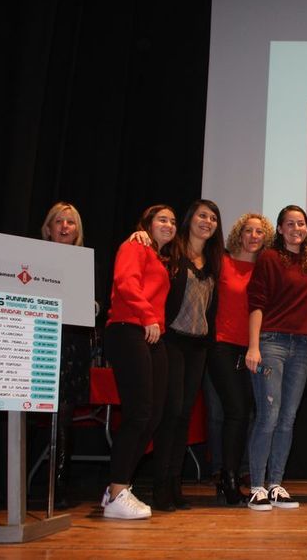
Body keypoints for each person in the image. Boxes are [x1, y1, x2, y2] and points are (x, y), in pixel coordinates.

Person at [101, 204, 176, 519]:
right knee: (139, 413)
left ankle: (117, 488)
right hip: (129, 328)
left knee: (153, 415)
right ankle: (117, 490)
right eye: (162, 219)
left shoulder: (158, 256)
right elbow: (125, 282)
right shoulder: (134, 245)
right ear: (146, 224)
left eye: (173, 221)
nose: (169, 224)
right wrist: (147, 316)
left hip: (150, 334)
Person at [151, 200, 223, 511]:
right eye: (202, 216)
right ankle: (160, 487)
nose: (208, 222)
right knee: (170, 413)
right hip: (171, 341)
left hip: (198, 346)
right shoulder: (172, 252)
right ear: (190, 219)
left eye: (213, 218)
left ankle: (175, 484)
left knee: (183, 416)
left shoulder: (214, 261)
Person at [245, 205, 307, 511]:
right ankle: (256, 487)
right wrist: (253, 346)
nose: (296, 229)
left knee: (288, 418)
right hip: (270, 343)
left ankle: (275, 484)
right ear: (279, 229)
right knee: (269, 416)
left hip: (301, 347)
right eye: (289, 224)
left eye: (300, 223)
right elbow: (256, 303)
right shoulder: (269, 258)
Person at [206, 212, 274, 505]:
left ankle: (233, 474)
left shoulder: (265, 269)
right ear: (239, 234)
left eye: (260, 232)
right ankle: (227, 476)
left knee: (246, 413)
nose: (254, 236)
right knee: (232, 411)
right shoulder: (221, 262)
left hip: (254, 350)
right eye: (248, 230)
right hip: (221, 345)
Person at [40, 202, 95, 508]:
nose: (64, 227)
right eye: (58, 221)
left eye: (70, 222)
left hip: (72, 344)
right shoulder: (32, 257)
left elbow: (90, 304)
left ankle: (58, 485)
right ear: (48, 228)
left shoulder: (84, 262)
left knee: (64, 415)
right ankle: (24, 482)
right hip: (39, 339)